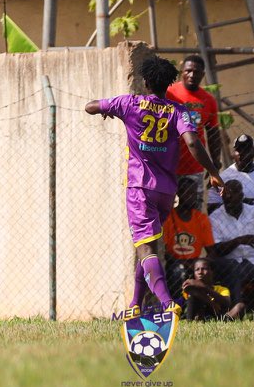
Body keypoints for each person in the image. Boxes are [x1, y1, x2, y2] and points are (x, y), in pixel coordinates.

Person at [85, 55, 223, 319]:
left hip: (139, 188)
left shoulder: (129, 103)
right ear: (169, 82)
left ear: (146, 81)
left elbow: (90, 106)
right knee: (145, 246)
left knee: (146, 248)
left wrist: (104, 110)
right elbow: (194, 143)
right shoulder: (177, 111)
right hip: (166, 190)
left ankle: (166, 303)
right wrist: (214, 171)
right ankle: (135, 304)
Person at [208, 179, 254, 311]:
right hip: (232, 262)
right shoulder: (215, 217)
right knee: (233, 268)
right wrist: (238, 241)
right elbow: (217, 249)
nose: (229, 197)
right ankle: (236, 309)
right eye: (226, 195)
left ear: (241, 195)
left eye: (233, 193)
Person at [166, 55, 222, 198]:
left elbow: (213, 133)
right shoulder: (169, 93)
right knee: (165, 212)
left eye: (196, 72)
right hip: (167, 165)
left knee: (193, 209)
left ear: (203, 74)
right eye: (188, 71)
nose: (192, 75)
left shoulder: (208, 100)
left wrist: (215, 163)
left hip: (194, 167)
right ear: (182, 72)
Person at [160, 176, 214, 300]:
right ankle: (177, 306)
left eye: (194, 193)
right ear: (179, 194)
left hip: (196, 262)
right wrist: (186, 263)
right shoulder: (168, 218)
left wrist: (201, 265)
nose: (192, 197)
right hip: (175, 263)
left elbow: (211, 251)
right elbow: (167, 253)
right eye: (187, 193)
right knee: (178, 271)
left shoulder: (201, 219)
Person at [208, 134, 254, 218]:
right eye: (238, 150)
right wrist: (235, 204)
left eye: (246, 149)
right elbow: (210, 208)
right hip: (236, 228)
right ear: (234, 153)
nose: (242, 153)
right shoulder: (223, 178)